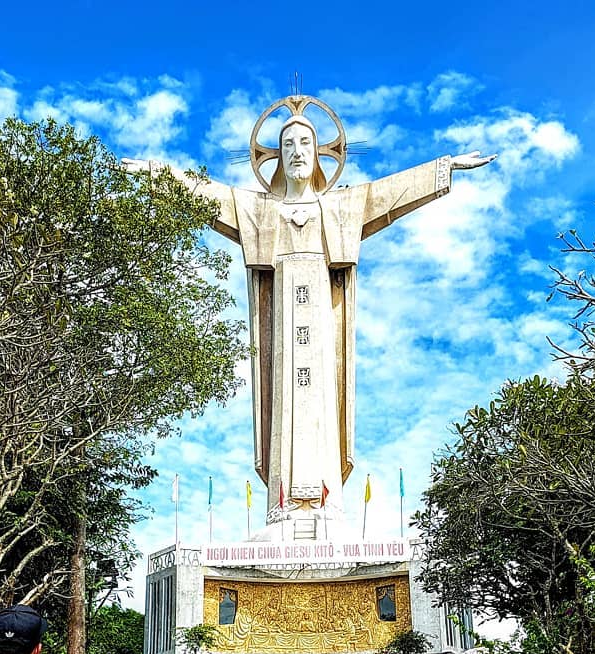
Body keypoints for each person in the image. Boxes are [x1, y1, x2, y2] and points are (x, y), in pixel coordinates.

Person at [124, 105, 492, 530]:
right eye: (287, 144)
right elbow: (209, 194)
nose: (297, 151)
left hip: (320, 324)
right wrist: (156, 173)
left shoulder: (339, 207)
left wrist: (443, 168)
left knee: (319, 400)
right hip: (281, 325)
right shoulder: (260, 211)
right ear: (275, 156)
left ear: (321, 153)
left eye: (305, 142)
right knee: (285, 402)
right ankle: (283, 506)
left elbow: (391, 192)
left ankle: (326, 504)